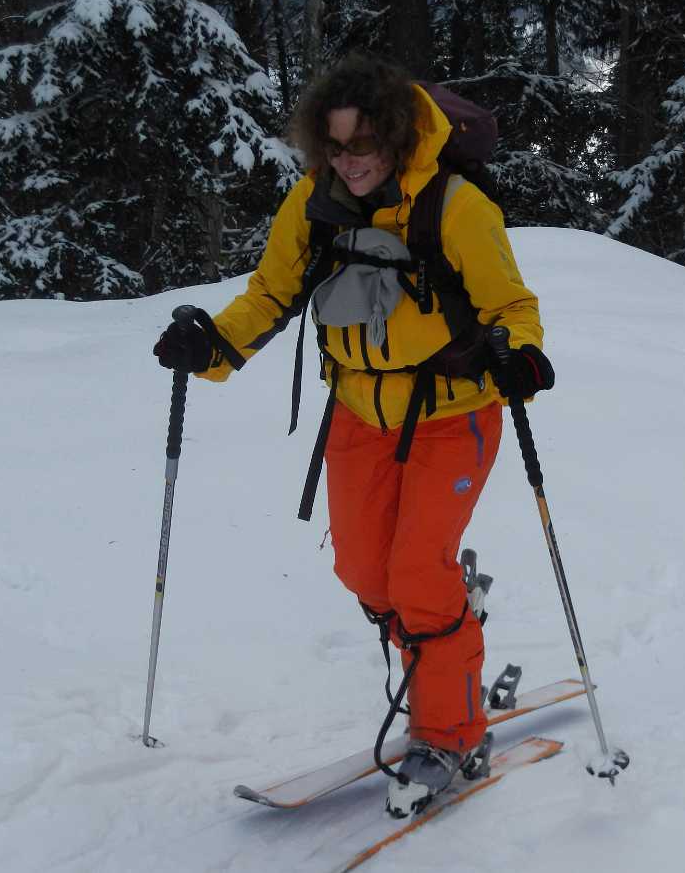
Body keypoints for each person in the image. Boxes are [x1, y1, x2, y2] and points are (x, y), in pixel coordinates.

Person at [152, 53, 554, 816]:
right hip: (358, 413)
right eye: (333, 146)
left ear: (396, 135)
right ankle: (451, 626)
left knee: (418, 578)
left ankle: (450, 734)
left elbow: (511, 306)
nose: (348, 161)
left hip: (452, 415)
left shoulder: (456, 206)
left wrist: (522, 355)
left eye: (362, 144)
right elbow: (271, 292)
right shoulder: (314, 202)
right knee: (367, 573)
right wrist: (213, 346)